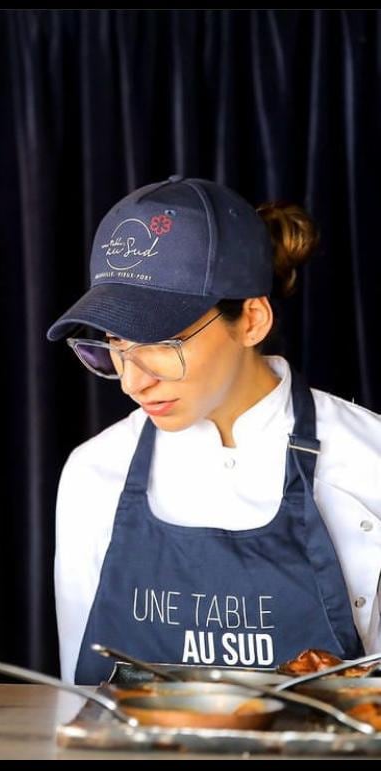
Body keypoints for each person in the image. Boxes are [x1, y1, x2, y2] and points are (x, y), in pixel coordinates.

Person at [47, 175, 381, 684]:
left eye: (164, 343)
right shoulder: (94, 473)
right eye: (115, 341)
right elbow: (83, 695)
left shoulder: (369, 462)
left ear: (251, 320)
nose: (132, 381)